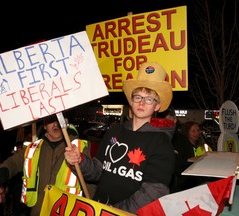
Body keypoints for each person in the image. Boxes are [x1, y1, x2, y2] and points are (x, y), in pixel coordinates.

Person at [65, 62, 175, 214]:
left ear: (157, 106)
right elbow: (98, 170)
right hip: (98, 209)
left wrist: (116, 211)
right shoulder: (114, 131)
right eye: (138, 97)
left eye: (149, 99)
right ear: (131, 100)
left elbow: (154, 191)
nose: (142, 103)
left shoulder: (162, 142)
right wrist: (80, 161)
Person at [0, 115, 90, 216]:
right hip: (38, 210)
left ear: (65, 123)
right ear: (44, 126)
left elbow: (89, 179)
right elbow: (15, 161)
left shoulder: (77, 148)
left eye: (59, 120)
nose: (56, 124)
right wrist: (4, 170)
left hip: (65, 211)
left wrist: (93, 203)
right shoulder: (33, 148)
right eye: (51, 121)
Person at [171, 120, 212, 192]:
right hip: (187, 183)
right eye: (193, 131)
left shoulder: (205, 146)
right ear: (187, 132)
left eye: (198, 130)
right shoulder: (182, 147)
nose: (196, 133)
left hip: (202, 180)